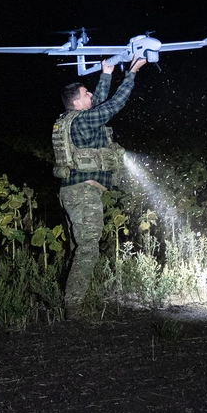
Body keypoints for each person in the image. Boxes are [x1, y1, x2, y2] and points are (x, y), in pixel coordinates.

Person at [52, 56, 147, 318]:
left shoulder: (75, 119)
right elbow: (114, 105)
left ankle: (73, 299)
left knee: (79, 247)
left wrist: (106, 73)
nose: (90, 93)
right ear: (77, 101)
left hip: (74, 191)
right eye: (86, 93)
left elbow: (101, 104)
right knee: (88, 248)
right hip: (82, 193)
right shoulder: (82, 121)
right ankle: (74, 306)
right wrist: (132, 73)